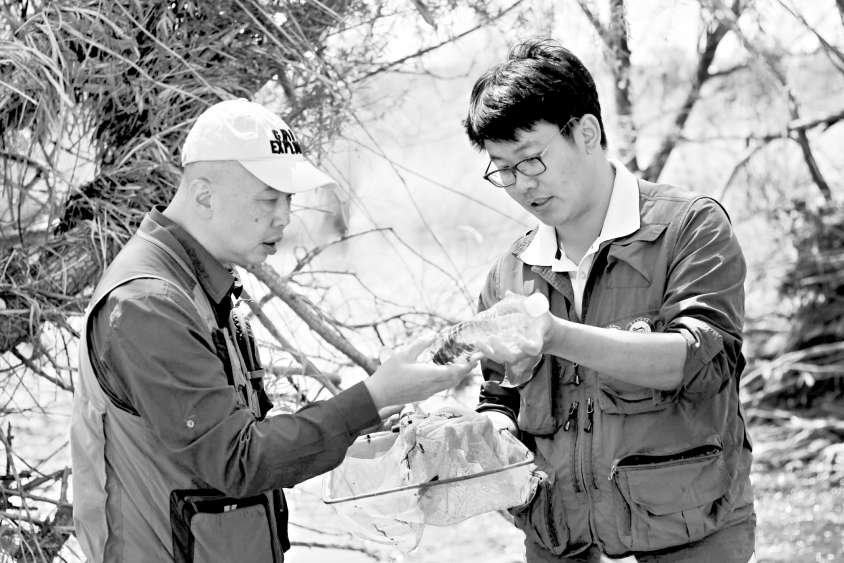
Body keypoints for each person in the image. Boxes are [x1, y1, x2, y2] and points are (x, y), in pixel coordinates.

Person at [70, 98, 477, 562]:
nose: (284, 217)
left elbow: (243, 435)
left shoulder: (199, 283)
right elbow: (238, 460)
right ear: (204, 196)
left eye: (289, 200)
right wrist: (372, 396)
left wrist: (373, 418)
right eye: (269, 199)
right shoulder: (148, 304)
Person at [463, 39, 756, 562]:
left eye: (531, 160)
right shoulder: (510, 272)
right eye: (502, 169)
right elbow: (500, 395)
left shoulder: (690, 228)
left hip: (690, 533)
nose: (520, 185)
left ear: (587, 133)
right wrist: (485, 434)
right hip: (559, 538)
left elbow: (699, 363)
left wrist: (557, 336)